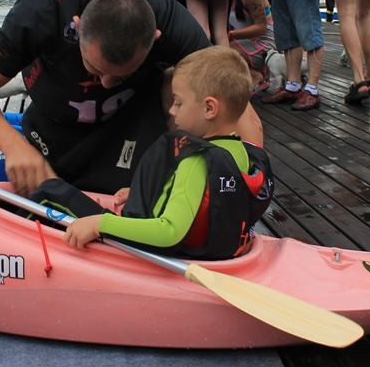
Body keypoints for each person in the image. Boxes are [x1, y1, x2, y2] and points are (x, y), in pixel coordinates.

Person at [0, 0, 263, 197]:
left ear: (155, 37)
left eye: (120, 74)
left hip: (132, 125)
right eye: (95, 68)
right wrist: (15, 147)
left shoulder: (167, 16)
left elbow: (236, 105)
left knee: (189, 84)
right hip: (54, 127)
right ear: (77, 26)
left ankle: (163, 174)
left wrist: (250, 178)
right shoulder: (43, 8)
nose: (104, 84)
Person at [33, 46, 273, 260]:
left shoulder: (198, 161)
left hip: (153, 253)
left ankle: (23, 250)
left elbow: (170, 231)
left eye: (178, 102)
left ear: (209, 108)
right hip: (209, 252)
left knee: (50, 191)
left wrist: (100, 224)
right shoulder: (240, 152)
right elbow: (207, 201)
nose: (172, 110)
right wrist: (145, 193)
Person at [228, 0, 276, 92]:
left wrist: (231, 35)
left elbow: (261, 28)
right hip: (241, 39)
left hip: (264, 39)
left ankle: (255, 75)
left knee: (223, 52)